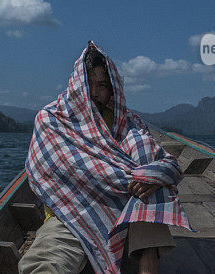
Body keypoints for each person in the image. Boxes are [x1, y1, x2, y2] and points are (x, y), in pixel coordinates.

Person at [19, 41, 193, 274]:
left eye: (101, 85)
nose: (93, 92)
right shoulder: (51, 119)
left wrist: (150, 177)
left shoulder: (127, 123)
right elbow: (53, 170)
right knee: (44, 265)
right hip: (70, 213)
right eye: (87, 84)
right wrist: (133, 178)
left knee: (151, 188)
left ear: (112, 90)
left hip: (127, 209)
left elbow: (165, 164)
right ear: (76, 84)